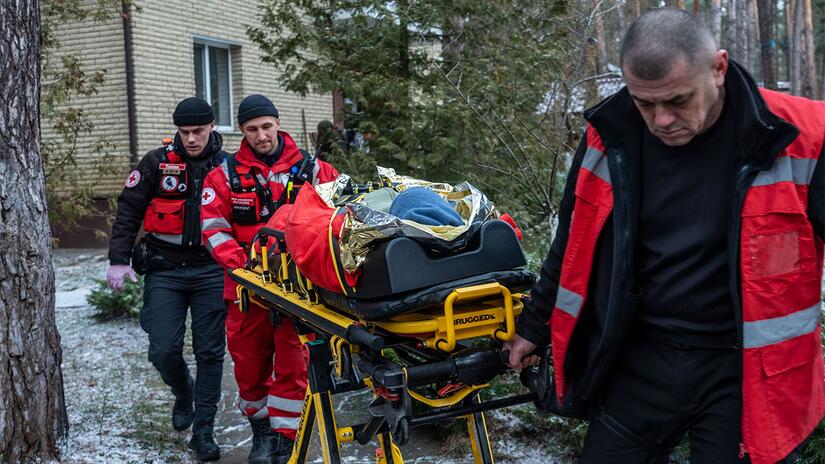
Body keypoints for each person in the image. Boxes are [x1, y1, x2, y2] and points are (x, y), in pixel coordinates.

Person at [505, 8, 824, 464]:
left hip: (746, 374)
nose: (661, 120)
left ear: (718, 67)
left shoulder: (801, 137)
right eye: (644, 103)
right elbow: (573, 244)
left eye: (677, 100)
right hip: (640, 361)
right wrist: (532, 328)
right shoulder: (607, 137)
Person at [200, 94, 339, 464]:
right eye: (251, 129)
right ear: (242, 131)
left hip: (299, 290)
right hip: (247, 289)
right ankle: (260, 428)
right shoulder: (224, 176)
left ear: (277, 123)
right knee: (249, 365)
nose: (261, 135)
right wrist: (246, 269)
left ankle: (282, 441)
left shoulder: (315, 170)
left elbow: (340, 218)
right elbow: (214, 229)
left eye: (266, 126)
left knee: (294, 364)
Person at [107, 97, 229, 461]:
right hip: (165, 268)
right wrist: (118, 259)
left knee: (210, 352)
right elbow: (129, 209)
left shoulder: (228, 166)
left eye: (198, 131)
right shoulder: (157, 163)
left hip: (210, 269)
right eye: (184, 132)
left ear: (212, 127)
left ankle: (203, 432)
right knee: (162, 348)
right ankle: (182, 390)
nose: (191, 139)